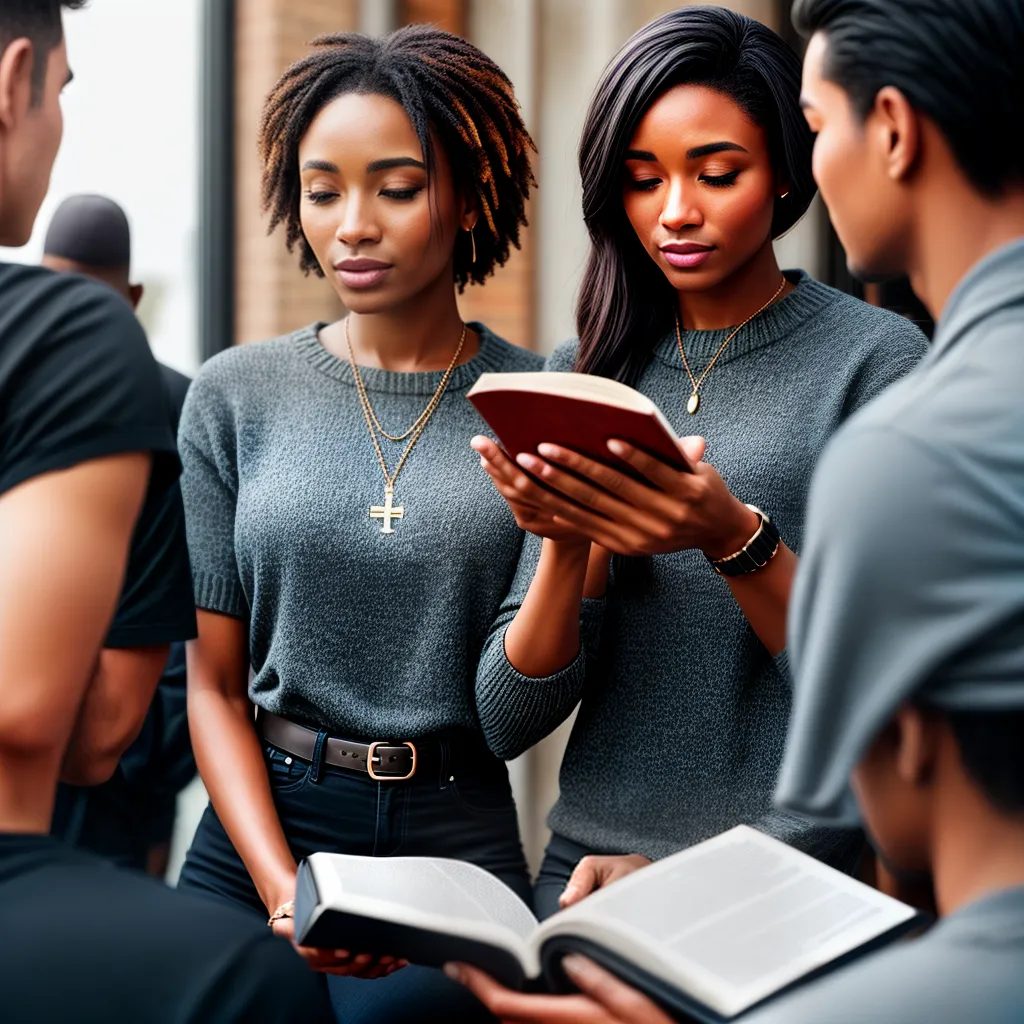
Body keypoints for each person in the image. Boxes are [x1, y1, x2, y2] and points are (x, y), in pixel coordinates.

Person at [448, 0, 1024, 1019]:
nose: (675, 209)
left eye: (716, 173)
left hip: (780, 888)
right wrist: (561, 546)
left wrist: (731, 536)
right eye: (642, 178)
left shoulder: (878, 367)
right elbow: (505, 713)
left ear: (789, 170)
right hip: (580, 882)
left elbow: (883, 707)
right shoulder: (580, 374)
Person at [174, 25, 539, 1023]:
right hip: (261, 830)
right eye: (323, 187)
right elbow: (210, 685)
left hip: (455, 832)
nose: (353, 224)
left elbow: (535, 687)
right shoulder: (232, 396)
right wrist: (283, 885)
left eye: (396, 186)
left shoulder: (542, 397)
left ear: (466, 195)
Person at [0, 2, 332, 1020]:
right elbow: (76, 723)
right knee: (257, 987)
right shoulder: (76, 347)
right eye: (61, 91)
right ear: (15, 81)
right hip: (43, 852)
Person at [42, 193, 197, 876]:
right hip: (36, 732)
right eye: (56, 291)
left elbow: (197, 586)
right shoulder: (22, 399)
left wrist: (154, 753)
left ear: (132, 297)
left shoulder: (177, 404)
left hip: (132, 756)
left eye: (91, 297)